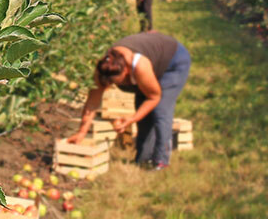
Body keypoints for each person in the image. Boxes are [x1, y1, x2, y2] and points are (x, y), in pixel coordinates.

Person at [67, 31, 192, 169]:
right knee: (142, 110)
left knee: (161, 110)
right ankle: (143, 160)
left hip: (173, 62)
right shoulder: (104, 69)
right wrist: (81, 133)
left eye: (119, 82)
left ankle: (161, 160)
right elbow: (92, 104)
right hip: (151, 62)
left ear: (126, 70)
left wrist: (131, 119)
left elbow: (154, 97)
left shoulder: (140, 66)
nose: (114, 86)